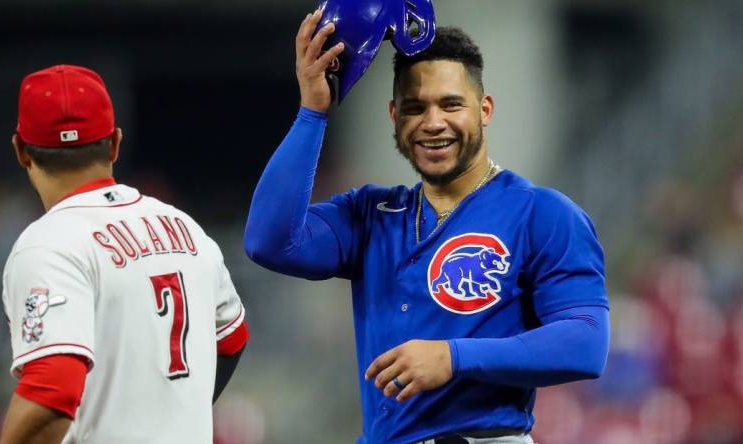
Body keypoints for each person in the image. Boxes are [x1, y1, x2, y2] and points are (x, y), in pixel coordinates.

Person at [244, 10, 609, 444]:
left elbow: (585, 343)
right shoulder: (371, 213)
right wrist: (312, 112)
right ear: (394, 115)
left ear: (485, 109)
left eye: (451, 104)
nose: (433, 123)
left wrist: (453, 357)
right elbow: (269, 241)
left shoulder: (542, 213)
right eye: (415, 108)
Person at [0, 65, 248, 444]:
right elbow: (231, 338)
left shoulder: (47, 244)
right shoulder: (186, 228)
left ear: (20, 150)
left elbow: (53, 387)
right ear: (115, 143)